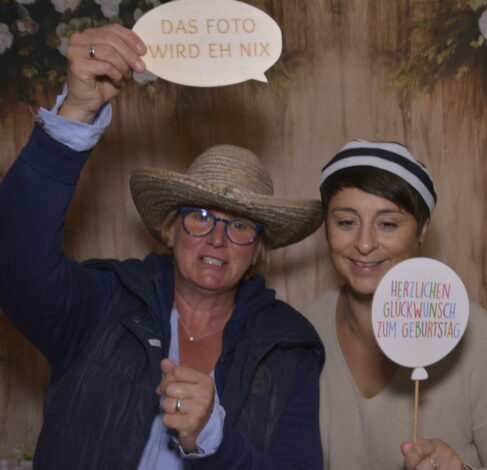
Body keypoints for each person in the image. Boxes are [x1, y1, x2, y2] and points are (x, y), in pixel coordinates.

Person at [0, 24, 324, 469]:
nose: (217, 239)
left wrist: (214, 440)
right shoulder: (103, 304)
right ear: (169, 232)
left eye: (240, 226)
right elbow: (16, 260)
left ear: (257, 252)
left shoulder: (286, 345)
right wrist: (77, 110)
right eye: (200, 217)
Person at [301, 140, 487, 470]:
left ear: (422, 230)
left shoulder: (480, 343)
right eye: (346, 222)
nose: (364, 243)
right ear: (326, 228)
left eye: (388, 224)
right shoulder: (300, 333)